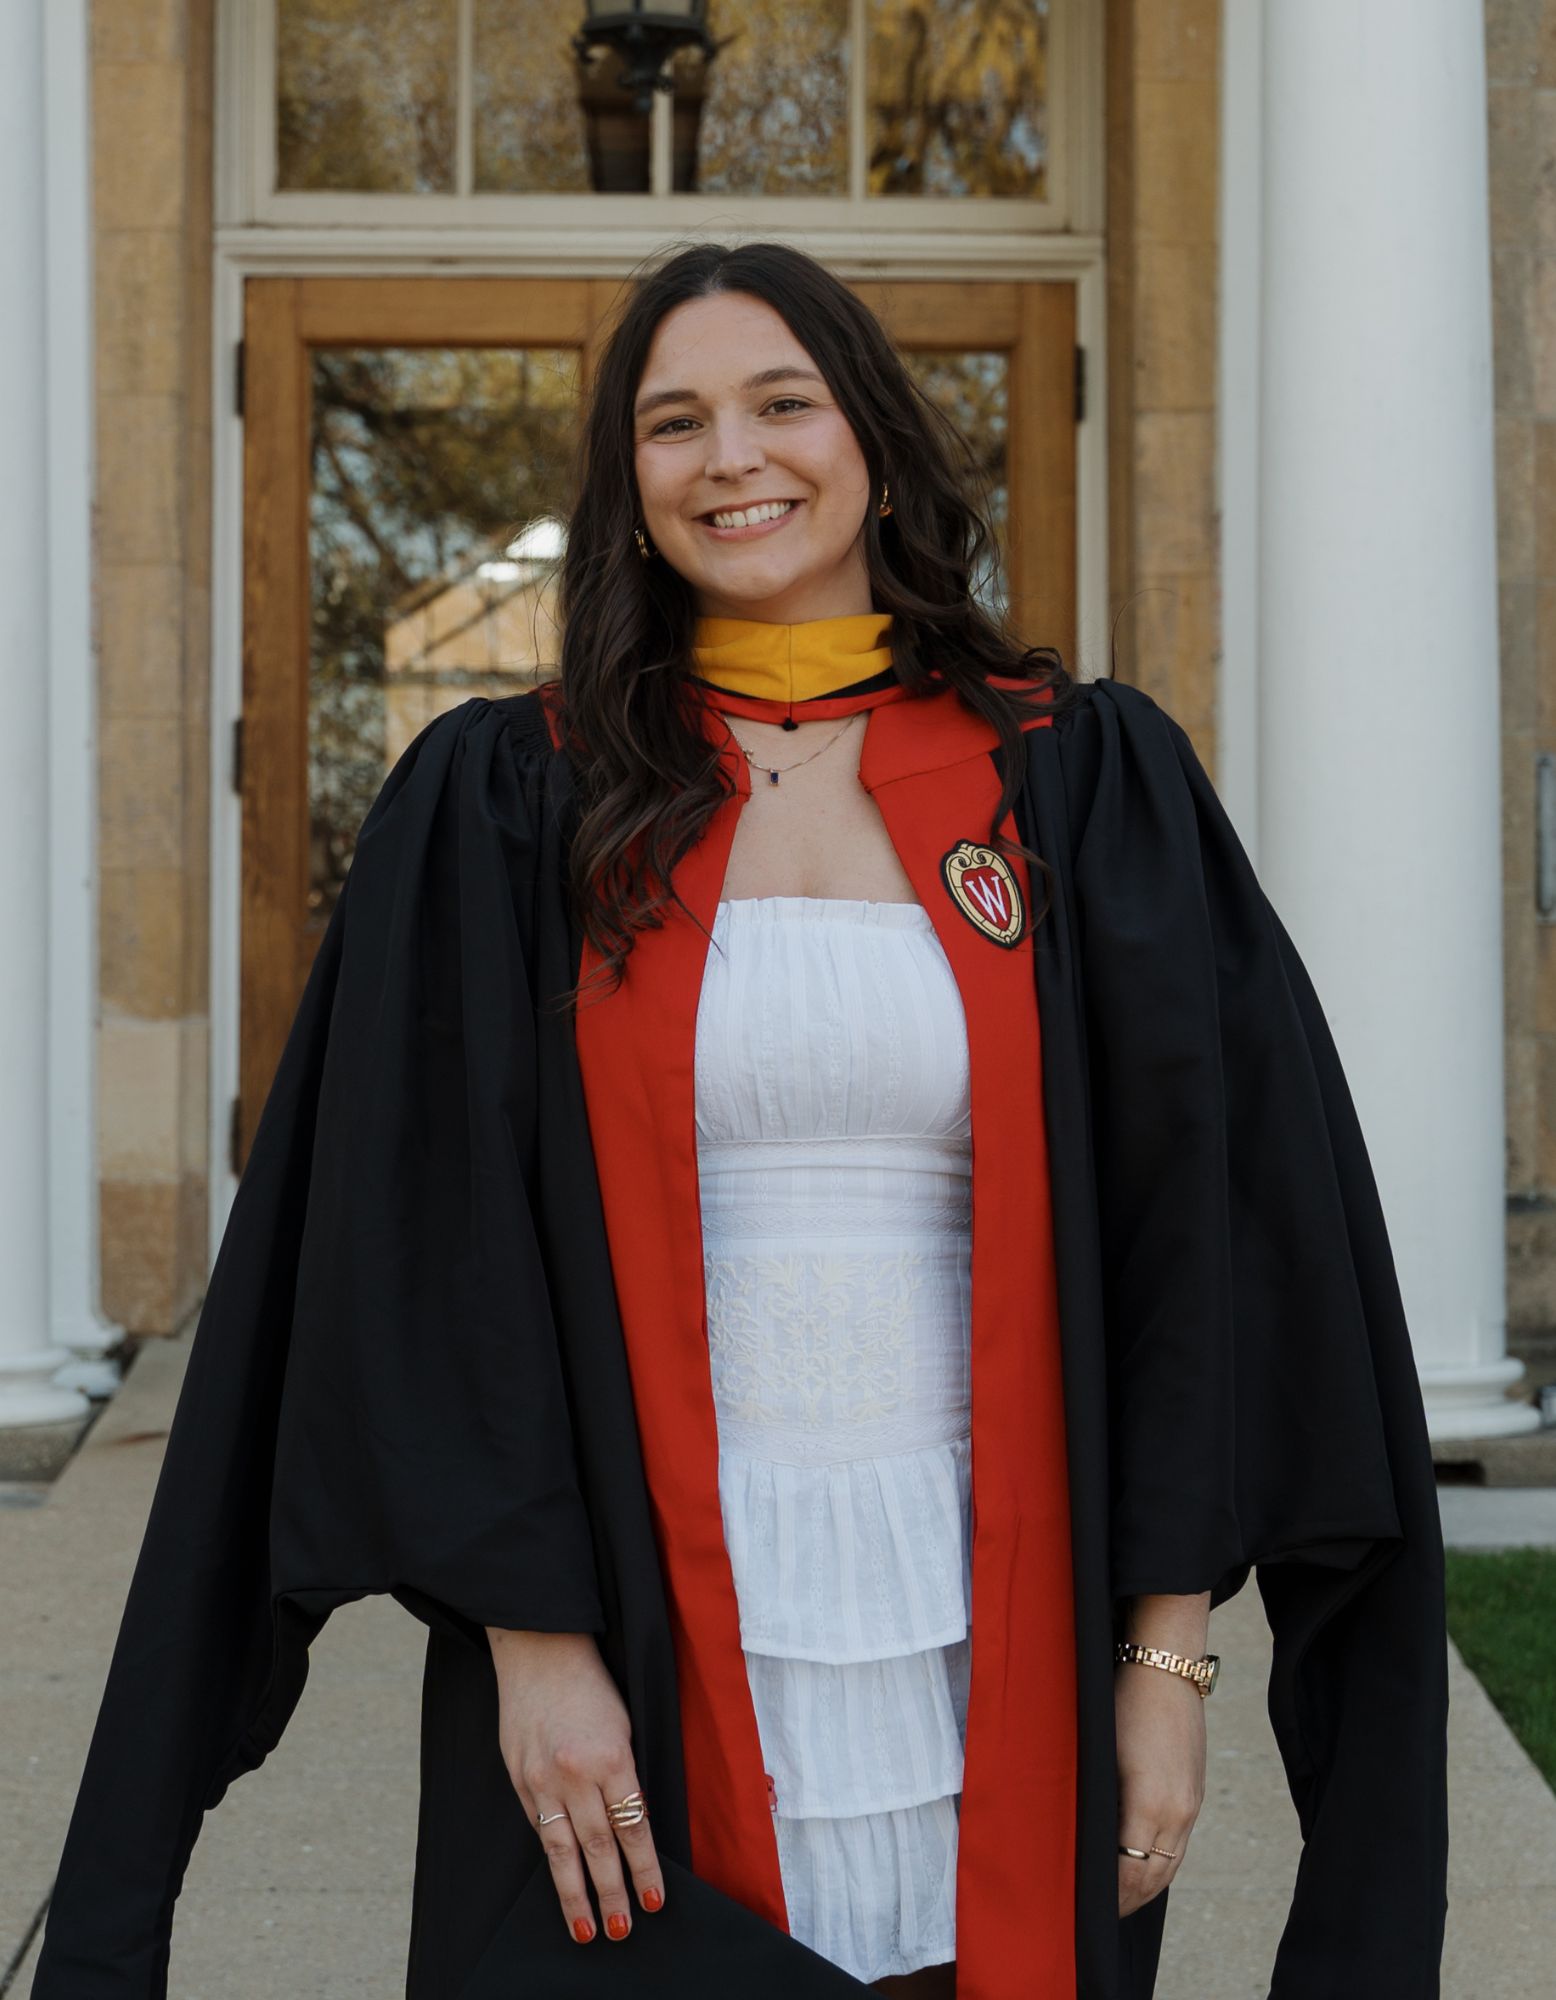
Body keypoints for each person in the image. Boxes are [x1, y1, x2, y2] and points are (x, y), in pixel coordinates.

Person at [33, 240, 1449, 2000]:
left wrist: (1164, 1664)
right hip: (639, 1630)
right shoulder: (510, 803)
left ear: (873, 436)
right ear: (627, 486)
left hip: (975, 1617)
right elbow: (416, 1271)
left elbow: (1220, 1248)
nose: (735, 458)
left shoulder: (1078, 783)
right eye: (675, 422)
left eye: (784, 402)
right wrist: (533, 1650)